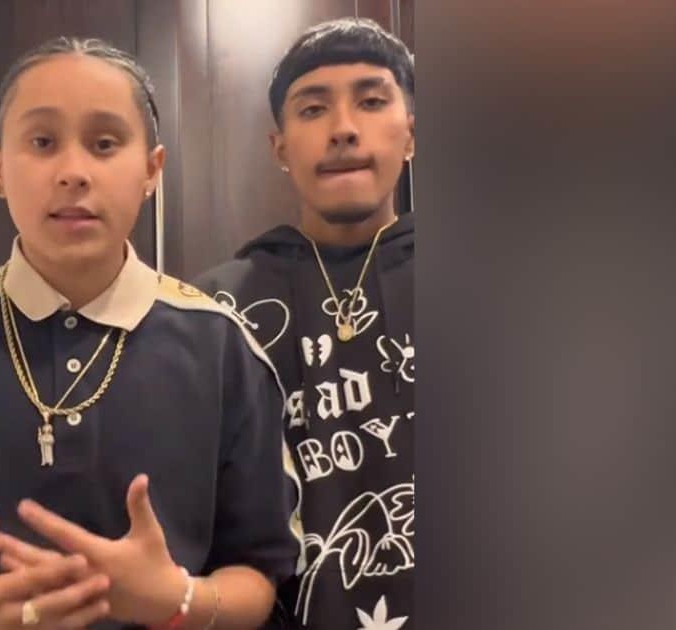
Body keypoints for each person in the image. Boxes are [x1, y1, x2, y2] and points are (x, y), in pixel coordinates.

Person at [0, 36, 301, 629]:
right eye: (43, 142)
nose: (73, 173)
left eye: (104, 144)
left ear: (152, 170)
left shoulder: (225, 349)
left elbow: (258, 571)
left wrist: (178, 600)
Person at [195, 18, 415, 629]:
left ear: (411, 134)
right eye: (313, 109)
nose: (343, 128)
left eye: (371, 101)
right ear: (280, 148)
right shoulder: (213, 313)